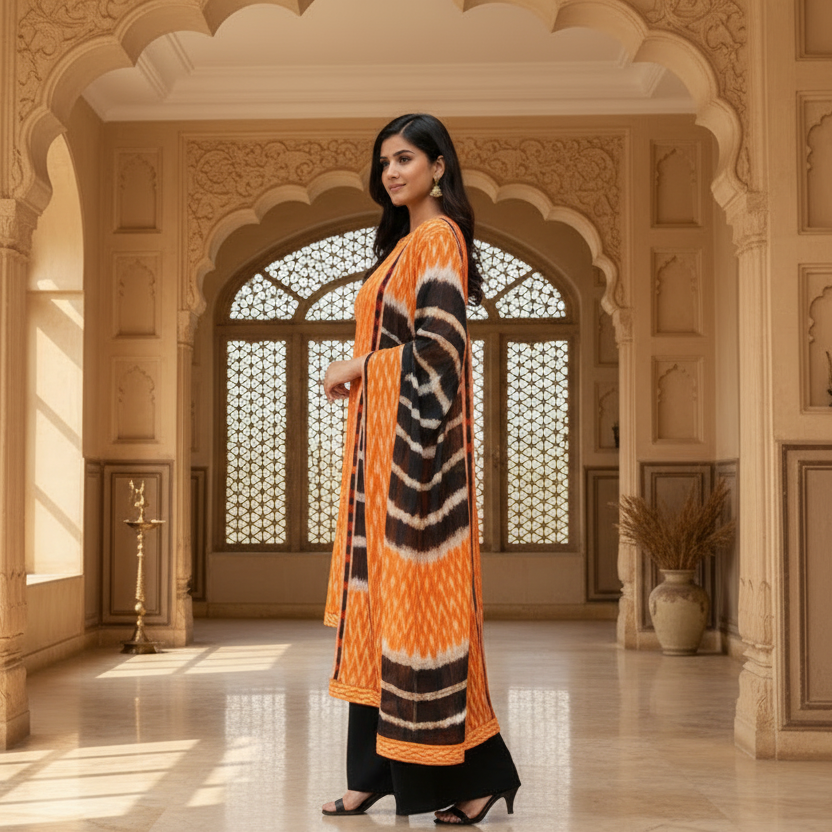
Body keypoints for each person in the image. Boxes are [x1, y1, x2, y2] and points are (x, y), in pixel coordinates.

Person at [321, 113, 520, 825]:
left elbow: (441, 350)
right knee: (383, 620)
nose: (391, 172)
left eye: (405, 158)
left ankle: (471, 780)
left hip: (419, 476)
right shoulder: (406, 244)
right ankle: (371, 776)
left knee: (420, 625)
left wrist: (358, 365)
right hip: (384, 464)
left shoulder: (439, 240)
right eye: (383, 163)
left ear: (439, 166)